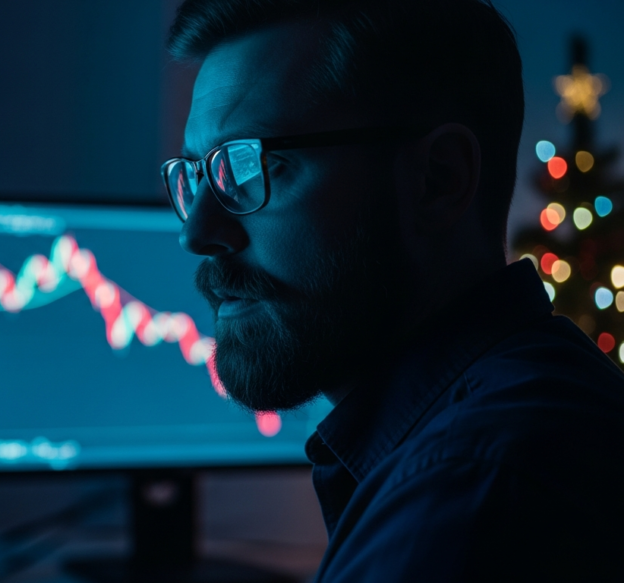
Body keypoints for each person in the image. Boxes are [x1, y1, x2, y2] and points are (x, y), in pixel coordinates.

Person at [161, 0, 624, 580]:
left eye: (252, 167)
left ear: (438, 180)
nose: (196, 234)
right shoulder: (508, 430)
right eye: (194, 177)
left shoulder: (472, 486)